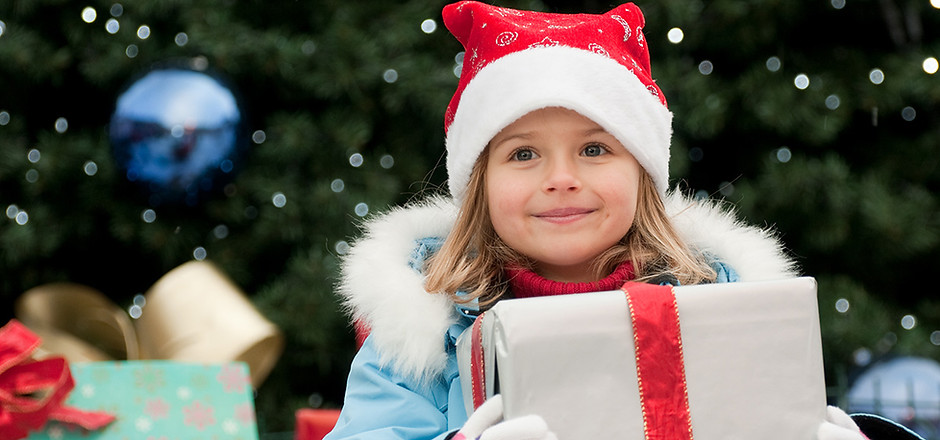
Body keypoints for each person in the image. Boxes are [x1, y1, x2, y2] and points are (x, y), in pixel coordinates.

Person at [323, 2, 923, 439]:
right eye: (523, 154)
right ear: (479, 187)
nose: (561, 178)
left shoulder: (723, 307)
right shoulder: (421, 338)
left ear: (643, 176)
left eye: (594, 149)